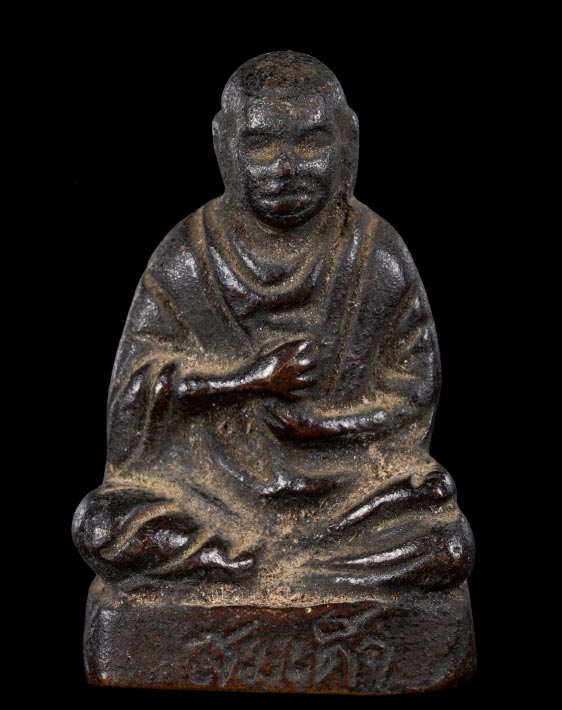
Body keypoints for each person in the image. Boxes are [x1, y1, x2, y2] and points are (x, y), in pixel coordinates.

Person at [72, 51, 473, 600]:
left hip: (343, 496)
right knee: (101, 524)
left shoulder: (374, 256)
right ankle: (265, 564)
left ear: (348, 142)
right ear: (224, 146)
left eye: (310, 143)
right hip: (215, 497)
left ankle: (275, 567)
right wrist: (244, 381)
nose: (285, 169)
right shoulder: (188, 258)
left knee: (444, 539)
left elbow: (415, 393)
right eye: (261, 147)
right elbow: (131, 399)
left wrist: (327, 428)